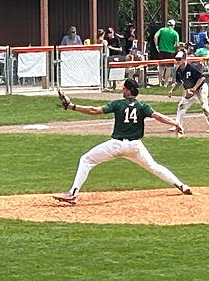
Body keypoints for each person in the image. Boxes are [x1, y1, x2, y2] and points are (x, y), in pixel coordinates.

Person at [52, 77, 189, 205]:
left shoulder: (118, 104)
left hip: (116, 145)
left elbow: (94, 110)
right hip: (135, 146)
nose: (122, 90)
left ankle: (73, 193)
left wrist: (72, 106)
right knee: (154, 167)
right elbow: (158, 117)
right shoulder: (142, 106)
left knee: (86, 160)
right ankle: (182, 186)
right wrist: (175, 123)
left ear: (129, 90)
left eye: (124, 88)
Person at [167, 50, 209, 134]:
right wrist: (171, 91)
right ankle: (177, 124)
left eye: (179, 59)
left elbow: (202, 78)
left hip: (201, 88)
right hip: (190, 90)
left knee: (204, 106)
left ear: (184, 59)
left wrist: (194, 88)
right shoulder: (179, 70)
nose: (178, 61)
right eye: (177, 59)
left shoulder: (191, 67)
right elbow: (178, 82)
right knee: (181, 106)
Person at [153, 19, 179, 85]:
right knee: (169, 68)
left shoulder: (162, 30)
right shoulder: (175, 33)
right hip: (171, 52)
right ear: (173, 25)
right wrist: (175, 49)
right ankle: (165, 83)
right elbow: (176, 44)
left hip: (162, 51)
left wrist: (156, 45)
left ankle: (159, 83)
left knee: (161, 67)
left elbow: (156, 36)